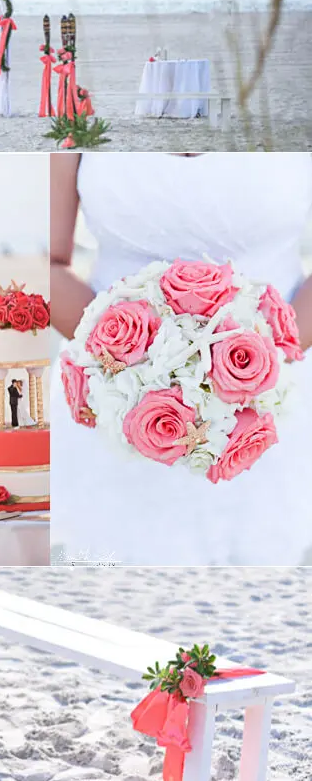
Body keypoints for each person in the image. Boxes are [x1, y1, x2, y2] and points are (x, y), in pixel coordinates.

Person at [51, 152, 312, 565]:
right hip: (117, 397)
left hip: (272, 396)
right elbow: (49, 264)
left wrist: (256, 357)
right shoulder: (75, 101)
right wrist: (130, 363)